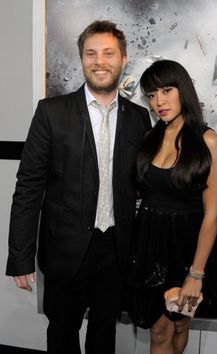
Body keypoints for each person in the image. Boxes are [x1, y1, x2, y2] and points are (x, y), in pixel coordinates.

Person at [6, 20, 151, 354]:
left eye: (108, 53)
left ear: (124, 59)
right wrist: (20, 256)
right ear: (82, 59)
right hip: (64, 250)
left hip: (115, 251)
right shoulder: (51, 112)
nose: (99, 61)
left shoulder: (138, 118)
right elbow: (28, 186)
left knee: (104, 334)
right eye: (91, 53)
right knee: (62, 333)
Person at [127, 60, 217, 354]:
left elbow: (212, 215)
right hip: (149, 244)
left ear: (182, 89)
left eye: (166, 90)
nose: (159, 101)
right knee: (158, 330)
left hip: (187, 248)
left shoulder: (209, 142)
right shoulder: (150, 138)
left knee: (180, 324)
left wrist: (195, 275)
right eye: (151, 95)